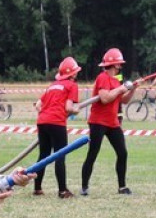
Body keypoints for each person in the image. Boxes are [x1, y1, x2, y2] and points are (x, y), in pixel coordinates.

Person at [81, 48, 139, 196]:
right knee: (93, 154)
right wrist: (121, 88)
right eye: (119, 63)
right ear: (115, 65)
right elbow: (105, 98)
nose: (120, 66)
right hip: (98, 122)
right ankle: (84, 187)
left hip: (113, 123)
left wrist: (132, 89)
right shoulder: (102, 78)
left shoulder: (115, 80)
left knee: (122, 153)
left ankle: (122, 187)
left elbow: (123, 101)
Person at [32, 56, 81, 198]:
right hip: (57, 122)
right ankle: (62, 190)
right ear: (73, 73)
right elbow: (68, 107)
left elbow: (38, 105)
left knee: (43, 155)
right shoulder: (72, 85)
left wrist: (47, 113)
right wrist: (76, 110)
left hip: (42, 121)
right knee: (60, 155)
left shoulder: (52, 85)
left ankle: (37, 188)